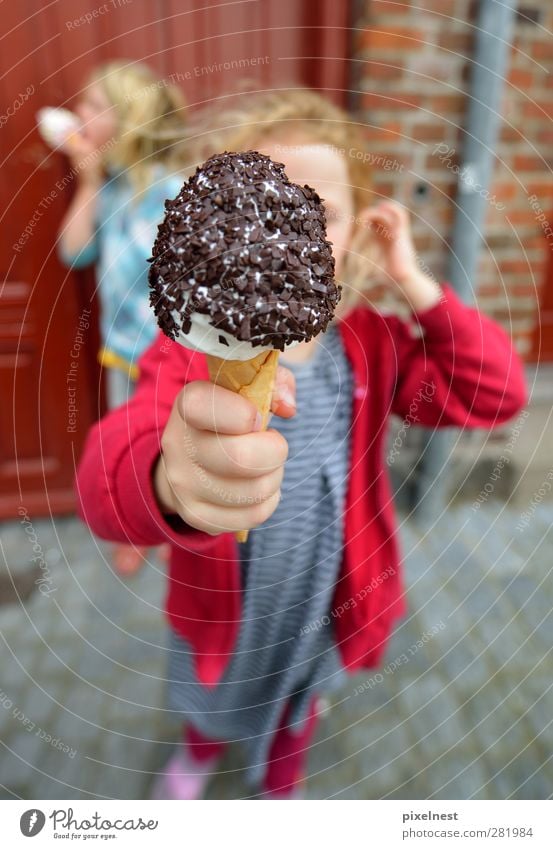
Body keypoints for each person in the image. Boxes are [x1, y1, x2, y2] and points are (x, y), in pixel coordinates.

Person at [75, 89, 527, 798]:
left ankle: (280, 771)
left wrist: (413, 284)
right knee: (216, 688)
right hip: (228, 596)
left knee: (298, 693)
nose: (289, 234)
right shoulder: (188, 354)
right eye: (262, 211)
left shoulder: (372, 348)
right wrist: (166, 481)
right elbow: (107, 474)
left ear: (356, 231)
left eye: (322, 211)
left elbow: (496, 392)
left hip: (325, 590)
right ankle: (200, 750)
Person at [58, 61, 186, 575]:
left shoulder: (171, 191)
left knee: (168, 445)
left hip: (170, 360)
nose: (78, 114)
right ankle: (135, 527)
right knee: (126, 445)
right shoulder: (109, 189)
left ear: (126, 119)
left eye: (91, 106)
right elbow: (74, 253)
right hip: (121, 350)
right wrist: (87, 180)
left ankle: (170, 522)